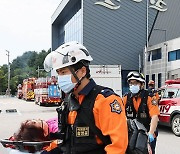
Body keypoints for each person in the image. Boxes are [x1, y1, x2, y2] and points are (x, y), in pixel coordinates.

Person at [43, 41, 128, 154]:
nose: (60, 78)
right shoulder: (69, 101)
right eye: (58, 73)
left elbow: (117, 147)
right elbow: (65, 141)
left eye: (64, 72)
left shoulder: (106, 100)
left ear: (82, 71)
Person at [123, 71, 160, 154]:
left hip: (147, 132)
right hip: (132, 132)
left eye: (135, 83)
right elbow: (119, 115)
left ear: (142, 84)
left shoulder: (150, 97)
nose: (132, 86)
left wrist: (150, 133)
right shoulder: (126, 97)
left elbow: (155, 116)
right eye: (131, 83)